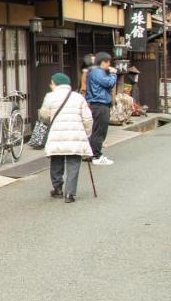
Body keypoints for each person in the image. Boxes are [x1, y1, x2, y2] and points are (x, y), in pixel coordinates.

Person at [39, 73, 94, 203]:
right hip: (76, 134)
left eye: (51, 83)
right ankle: (70, 193)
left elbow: (44, 115)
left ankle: (57, 188)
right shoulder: (78, 97)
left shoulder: (50, 97)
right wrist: (86, 133)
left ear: (55, 83)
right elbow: (87, 118)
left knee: (56, 159)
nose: (50, 86)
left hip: (57, 134)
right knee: (74, 163)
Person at [84, 52, 118, 165]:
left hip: (96, 104)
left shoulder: (94, 71)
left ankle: (91, 153)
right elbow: (109, 83)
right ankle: (96, 156)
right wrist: (113, 74)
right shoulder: (98, 72)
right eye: (108, 62)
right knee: (99, 131)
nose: (109, 65)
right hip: (100, 104)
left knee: (95, 131)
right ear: (103, 62)